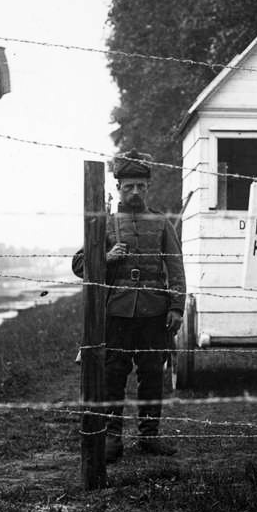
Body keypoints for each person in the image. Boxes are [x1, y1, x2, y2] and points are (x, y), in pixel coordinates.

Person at [72, 150, 186, 463]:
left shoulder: (162, 224)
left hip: (154, 314)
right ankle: (112, 438)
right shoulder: (104, 224)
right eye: (129, 186)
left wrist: (176, 307)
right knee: (113, 375)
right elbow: (79, 265)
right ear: (118, 188)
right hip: (117, 312)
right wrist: (105, 259)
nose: (135, 192)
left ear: (148, 188)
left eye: (141, 186)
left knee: (151, 375)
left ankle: (150, 436)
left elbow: (175, 267)